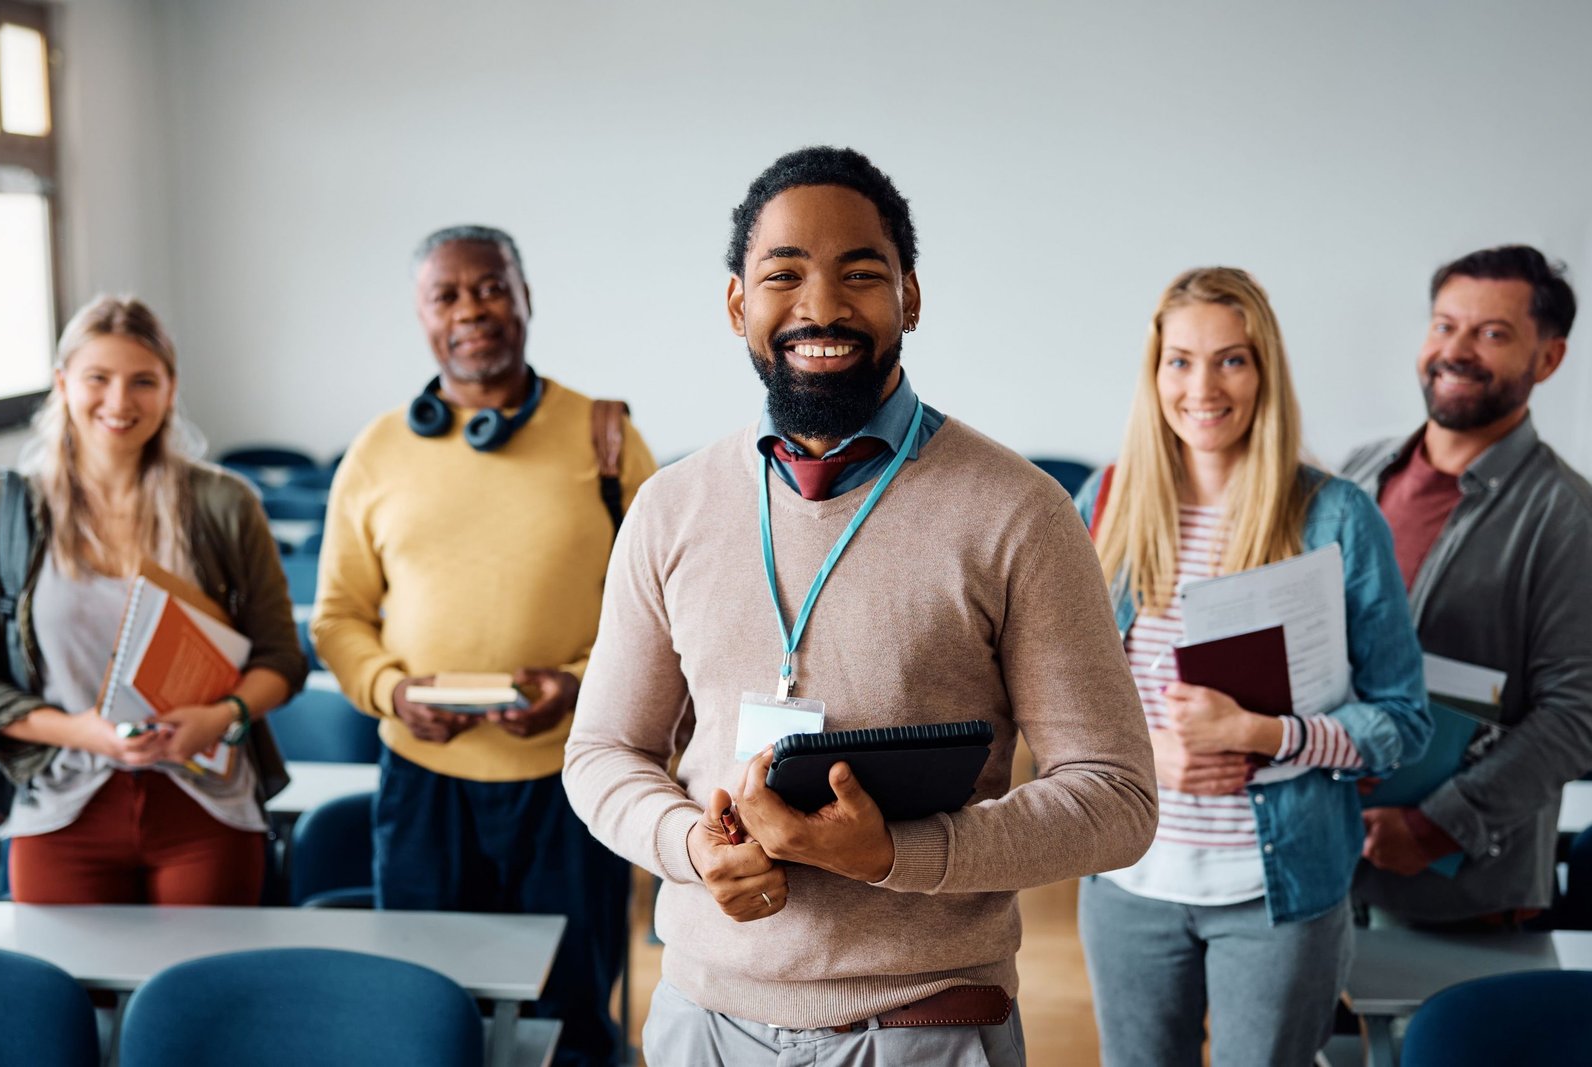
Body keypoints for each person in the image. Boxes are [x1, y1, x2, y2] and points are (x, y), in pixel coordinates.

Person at [561, 145, 1157, 1067]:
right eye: (783, 275)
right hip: (702, 1021)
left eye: (861, 274)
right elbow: (602, 752)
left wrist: (896, 854)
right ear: (736, 305)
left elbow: (1116, 798)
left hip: (926, 1023)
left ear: (910, 297)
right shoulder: (671, 506)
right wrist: (688, 842)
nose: (822, 307)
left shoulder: (1019, 509)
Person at [310, 225, 657, 1067]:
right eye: (448, 294)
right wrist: (392, 692)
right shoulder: (377, 450)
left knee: (574, 1013)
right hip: (422, 785)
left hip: (572, 773)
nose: (473, 309)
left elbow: (660, 613)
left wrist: (578, 683)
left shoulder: (605, 439)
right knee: (427, 1012)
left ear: (526, 296)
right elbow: (338, 618)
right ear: (423, 316)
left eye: (492, 286)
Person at [1074, 267, 1429, 1067]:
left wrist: (1263, 733)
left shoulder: (1336, 516)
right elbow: (1051, 704)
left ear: (1264, 369)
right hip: (1128, 885)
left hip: (1278, 893)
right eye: (1181, 360)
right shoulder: (1103, 504)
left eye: (1231, 359)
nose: (1204, 386)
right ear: (1155, 372)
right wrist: (1142, 753)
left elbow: (1402, 721)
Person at [0, 295, 306, 905]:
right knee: (63, 995)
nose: (119, 401)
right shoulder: (7, 514)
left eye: (143, 381)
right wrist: (84, 732)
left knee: (203, 995)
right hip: (61, 805)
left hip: (204, 802)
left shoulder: (225, 503)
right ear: (61, 384)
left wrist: (221, 718)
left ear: (170, 389)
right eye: (98, 379)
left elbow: (282, 660)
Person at [1345, 245, 1592, 927]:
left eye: (1492, 333)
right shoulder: (1358, 475)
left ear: (1548, 358)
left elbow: (1576, 717)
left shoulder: (1570, 517)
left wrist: (1434, 828)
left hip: (1462, 895)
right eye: (1444, 325)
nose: (1456, 350)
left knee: (1447, 1040)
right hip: (1329, 867)